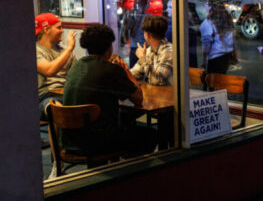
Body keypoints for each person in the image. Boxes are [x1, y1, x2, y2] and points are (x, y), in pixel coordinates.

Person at [62, 24, 156, 155]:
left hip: (69, 140)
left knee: (124, 123)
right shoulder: (111, 69)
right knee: (149, 135)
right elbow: (138, 99)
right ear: (108, 48)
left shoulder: (76, 66)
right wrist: (127, 72)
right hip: (98, 141)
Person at [35, 13, 77, 120]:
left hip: (67, 93)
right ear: (46, 30)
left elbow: (78, 76)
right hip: (45, 96)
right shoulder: (34, 50)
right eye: (59, 27)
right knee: (54, 107)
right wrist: (69, 48)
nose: (62, 31)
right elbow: (49, 70)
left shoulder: (65, 51)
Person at [130, 15, 173, 86]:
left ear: (148, 35)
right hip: (158, 94)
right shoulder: (149, 50)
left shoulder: (168, 51)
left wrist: (142, 58)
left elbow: (157, 80)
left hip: (172, 95)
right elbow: (136, 72)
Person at [200, 1, 236, 74]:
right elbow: (232, 38)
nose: (204, 4)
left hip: (215, 58)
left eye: (207, 3)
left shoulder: (207, 23)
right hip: (227, 56)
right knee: (221, 80)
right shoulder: (227, 20)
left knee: (213, 82)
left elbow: (207, 44)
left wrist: (204, 60)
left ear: (211, 7)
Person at [162, 0, 198, 67]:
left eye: (170, 7)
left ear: (177, 9)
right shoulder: (186, 26)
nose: (167, 10)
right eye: (167, 7)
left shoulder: (173, 27)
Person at [121, 0, 150, 67]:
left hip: (133, 50)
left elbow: (124, 34)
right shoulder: (148, 18)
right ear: (144, 4)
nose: (149, 5)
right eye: (148, 3)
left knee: (134, 74)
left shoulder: (128, 15)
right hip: (145, 50)